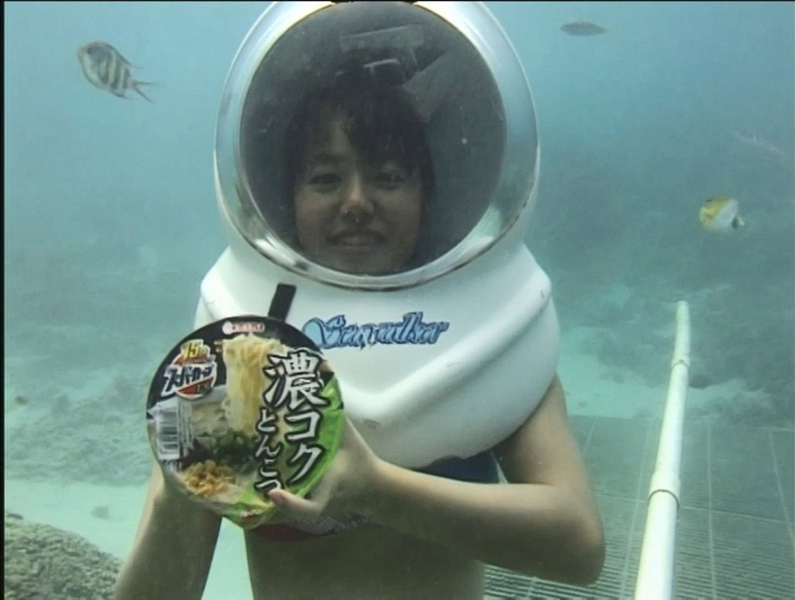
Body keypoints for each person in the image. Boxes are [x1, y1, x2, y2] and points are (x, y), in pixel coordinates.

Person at [114, 76, 605, 600]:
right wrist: (181, 489)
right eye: (325, 179)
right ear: (285, 197)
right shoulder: (240, 352)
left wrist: (378, 491)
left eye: (387, 177)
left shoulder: (490, 334)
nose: (355, 202)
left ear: (427, 193)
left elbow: (579, 544)